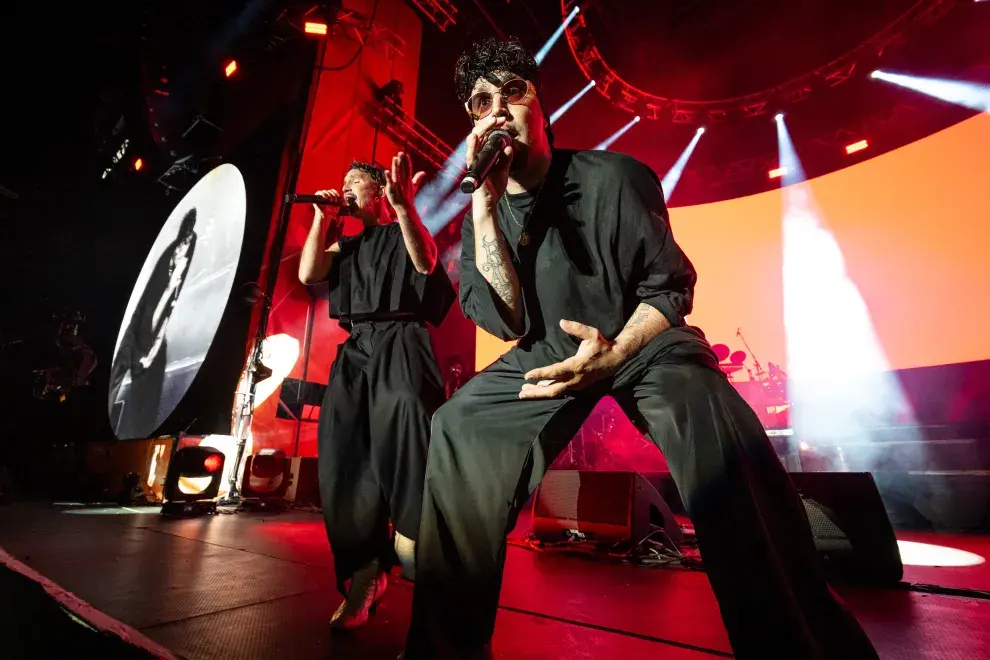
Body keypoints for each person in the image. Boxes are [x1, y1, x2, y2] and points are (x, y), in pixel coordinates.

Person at [403, 38, 879, 659]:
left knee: (712, 424)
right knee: (458, 425)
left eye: (510, 94)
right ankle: (445, 649)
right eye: (479, 103)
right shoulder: (482, 210)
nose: (495, 113)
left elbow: (669, 287)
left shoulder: (615, 177)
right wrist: (487, 207)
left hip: (644, 338)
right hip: (549, 347)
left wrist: (617, 349)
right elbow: (508, 318)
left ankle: (803, 643)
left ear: (538, 105)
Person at [298, 157, 454, 630]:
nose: (345, 188)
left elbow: (426, 263)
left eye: (355, 182)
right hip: (357, 347)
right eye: (342, 181)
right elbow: (309, 274)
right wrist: (320, 220)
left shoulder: (402, 228)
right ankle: (367, 573)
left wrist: (403, 208)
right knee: (342, 446)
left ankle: (416, 543)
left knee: (406, 422)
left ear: (379, 189)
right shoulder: (344, 245)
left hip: (402, 339)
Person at [109, 209, 197, 439]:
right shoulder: (171, 254)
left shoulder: (187, 249)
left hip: (163, 308)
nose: (188, 238)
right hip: (153, 310)